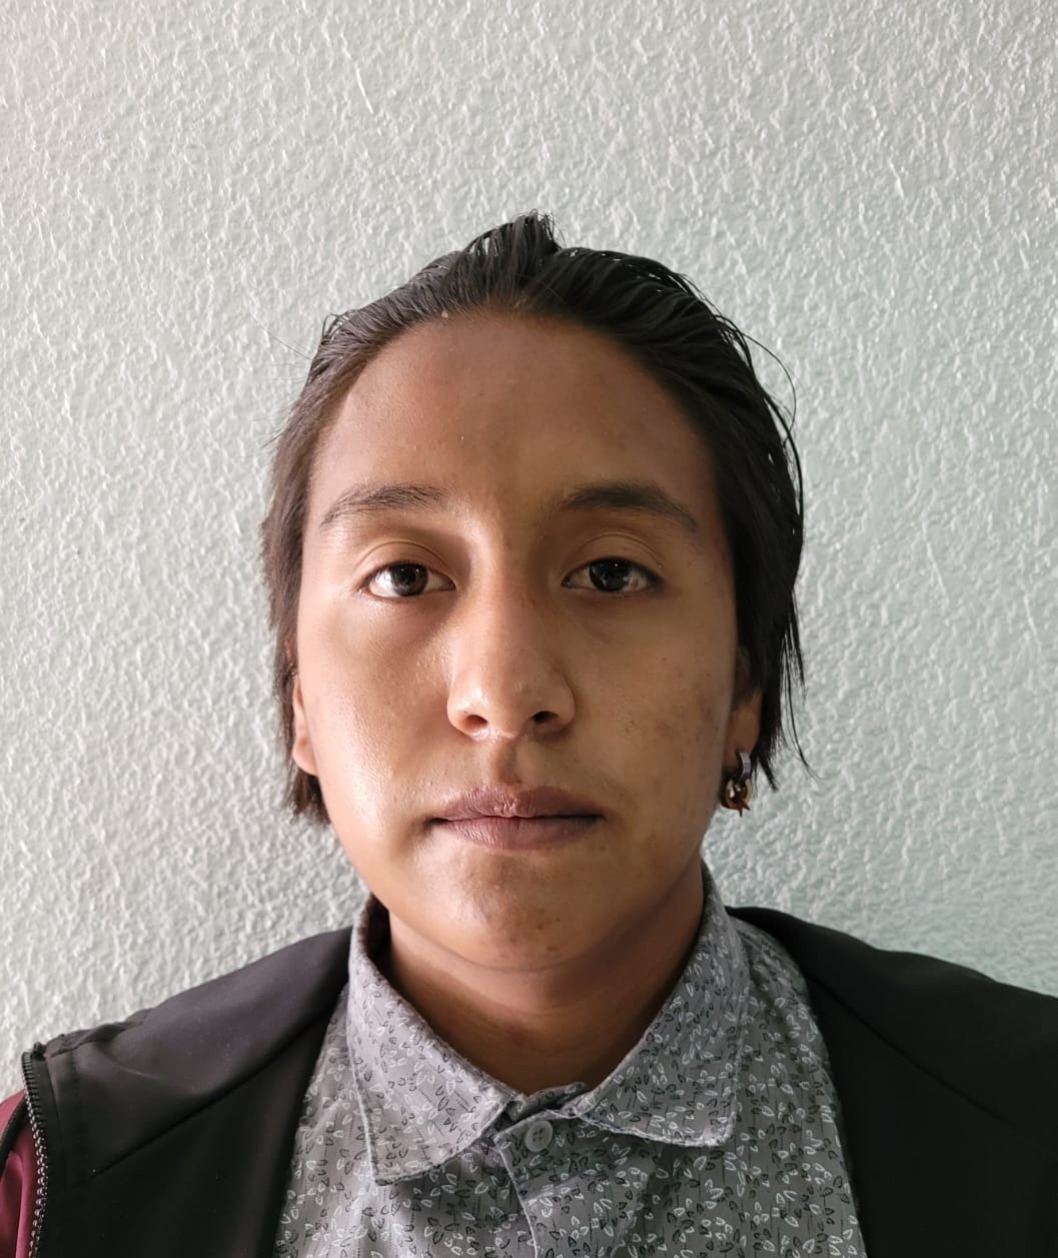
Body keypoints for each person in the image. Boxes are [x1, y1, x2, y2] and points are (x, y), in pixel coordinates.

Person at [1, 213, 1055, 1258]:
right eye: (404, 576)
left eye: (610, 572)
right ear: (300, 697)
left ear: (744, 677)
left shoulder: (1029, 1127)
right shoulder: (55, 1186)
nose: (504, 695)